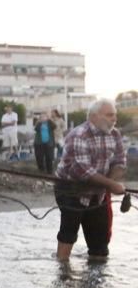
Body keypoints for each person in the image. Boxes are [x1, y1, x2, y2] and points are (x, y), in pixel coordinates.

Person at [54, 99, 125, 261]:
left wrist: (110, 183)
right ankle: (63, 269)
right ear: (94, 116)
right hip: (70, 189)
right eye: (109, 115)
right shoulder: (79, 135)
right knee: (69, 232)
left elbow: (120, 162)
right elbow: (84, 171)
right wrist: (112, 185)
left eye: (115, 115)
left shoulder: (115, 134)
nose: (114, 118)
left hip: (98, 190)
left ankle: (98, 280)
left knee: (100, 242)